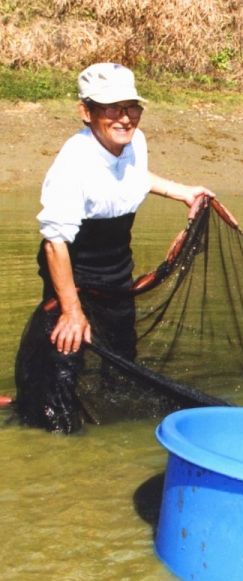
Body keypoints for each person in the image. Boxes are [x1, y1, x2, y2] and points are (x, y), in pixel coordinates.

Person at [14, 62, 215, 433]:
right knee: (60, 385)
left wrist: (181, 191)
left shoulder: (134, 141)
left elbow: (132, 176)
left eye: (131, 107)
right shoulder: (72, 165)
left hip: (117, 280)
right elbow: (54, 242)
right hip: (74, 284)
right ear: (86, 112)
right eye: (111, 108)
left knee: (120, 374)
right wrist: (72, 312)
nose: (124, 118)